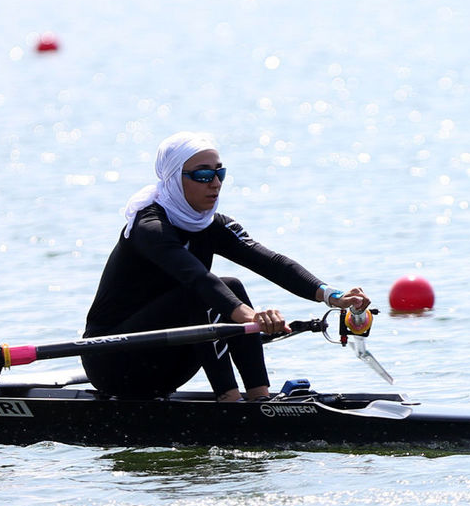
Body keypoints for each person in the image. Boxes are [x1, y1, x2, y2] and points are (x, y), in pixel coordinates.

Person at [82, 131, 370, 401]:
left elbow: (273, 263)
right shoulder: (151, 227)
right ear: (173, 179)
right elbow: (196, 279)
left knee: (231, 286)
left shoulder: (213, 225)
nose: (215, 183)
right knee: (208, 291)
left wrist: (333, 296)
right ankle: (231, 404)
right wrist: (252, 316)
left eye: (219, 173)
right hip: (114, 360)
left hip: (170, 361)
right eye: (203, 175)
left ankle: (260, 399)